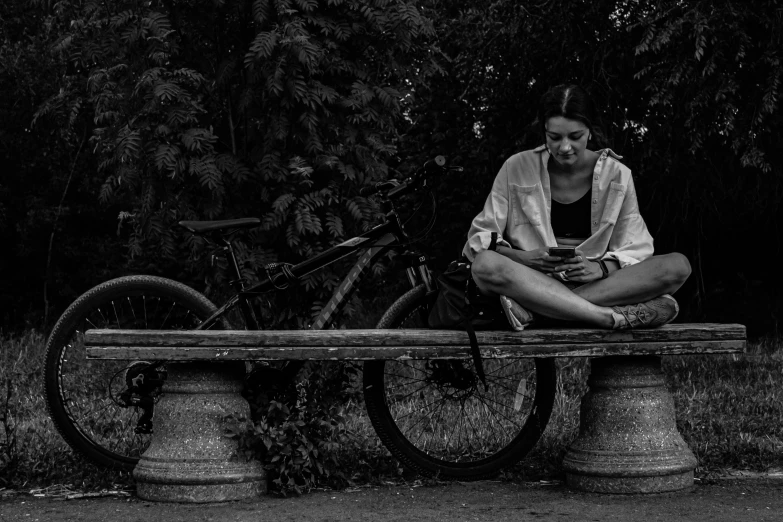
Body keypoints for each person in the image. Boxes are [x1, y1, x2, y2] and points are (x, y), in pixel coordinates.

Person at [465, 84, 691, 330]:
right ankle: (607, 317)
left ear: (590, 132)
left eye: (575, 136)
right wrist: (526, 259)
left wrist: (600, 267)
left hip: (595, 285)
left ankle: (537, 312)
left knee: (677, 266)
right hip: (529, 281)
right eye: (554, 137)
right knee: (485, 264)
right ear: (544, 133)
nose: (564, 147)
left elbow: (635, 246)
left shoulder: (617, 174)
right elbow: (480, 239)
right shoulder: (516, 166)